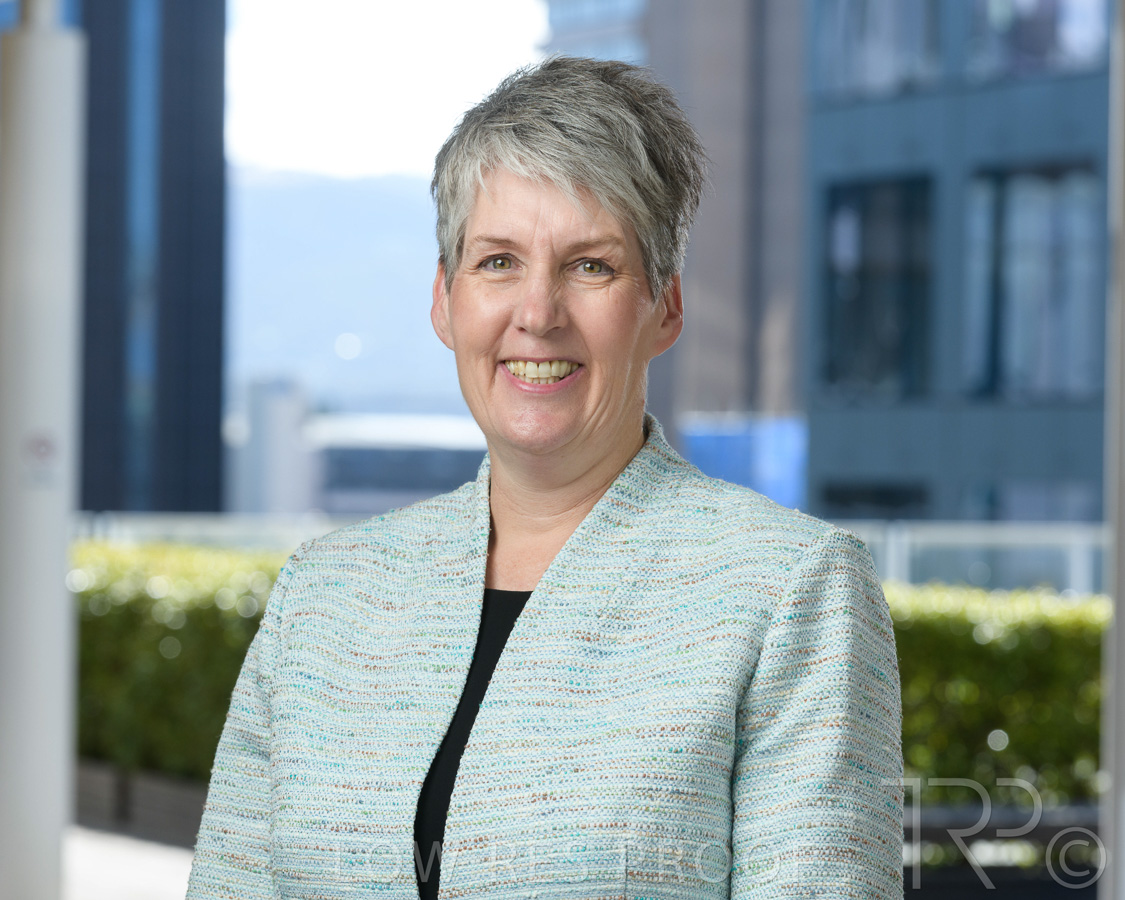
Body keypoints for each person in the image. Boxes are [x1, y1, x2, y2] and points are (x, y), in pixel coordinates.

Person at [187, 56, 903, 899]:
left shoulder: (791, 589)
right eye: (497, 262)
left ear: (664, 308)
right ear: (444, 301)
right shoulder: (323, 596)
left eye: (590, 265)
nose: (537, 313)